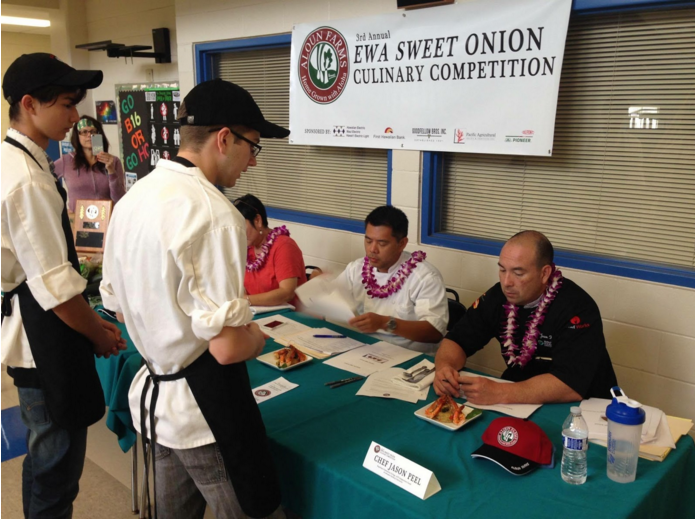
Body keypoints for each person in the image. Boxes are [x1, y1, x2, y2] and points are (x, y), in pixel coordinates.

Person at [100, 78, 289, 519]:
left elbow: (119, 308)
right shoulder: (214, 213)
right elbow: (226, 348)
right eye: (254, 147)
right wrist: (256, 337)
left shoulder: (135, 197)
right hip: (205, 413)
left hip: (154, 398)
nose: (253, 163)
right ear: (225, 138)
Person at [1, 52, 126, 518]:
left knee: (41, 456)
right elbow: (54, 287)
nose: (75, 117)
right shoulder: (27, 180)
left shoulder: (17, 161)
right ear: (30, 104)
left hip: (34, 328)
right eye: (67, 104)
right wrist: (100, 332)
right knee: (57, 470)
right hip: (43, 339)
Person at [434, 230, 618, 404]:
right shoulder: (498, 296)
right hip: (518, 399)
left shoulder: (577, 307)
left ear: (545, 273)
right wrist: (444, 368)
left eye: (518, 273)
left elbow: (570, 385)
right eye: (502, 270)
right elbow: (457, 340)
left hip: (582, 408)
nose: (506, 282)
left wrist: (500, 392)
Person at [335, 205, 448, 354]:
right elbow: (330, 298)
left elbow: (434, 332)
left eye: (382, 243)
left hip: (408, 357)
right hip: (363, 349)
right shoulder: (356, 268)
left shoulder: (425, 277)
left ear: (402, 243)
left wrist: (385, 323)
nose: (372, 249)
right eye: (368, 241)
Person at [233, 194, 307, 307]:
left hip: (291, 317)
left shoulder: (284, 246)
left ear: (257, 220)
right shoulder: (248, 247)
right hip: (260, 313)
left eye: (241, 226)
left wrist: (245, 300)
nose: (238, 233)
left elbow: (287, 293)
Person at [54, 115, 126, 214]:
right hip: (78, 222)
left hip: (106, 221)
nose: (89, 135)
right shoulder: (67, 161)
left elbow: (120, 199)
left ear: (99, 134)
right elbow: (44, 180)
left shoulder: (113, 161)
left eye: (93, 131)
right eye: (84, 132)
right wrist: (60, 211)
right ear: (77, 136)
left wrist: (111, 171)